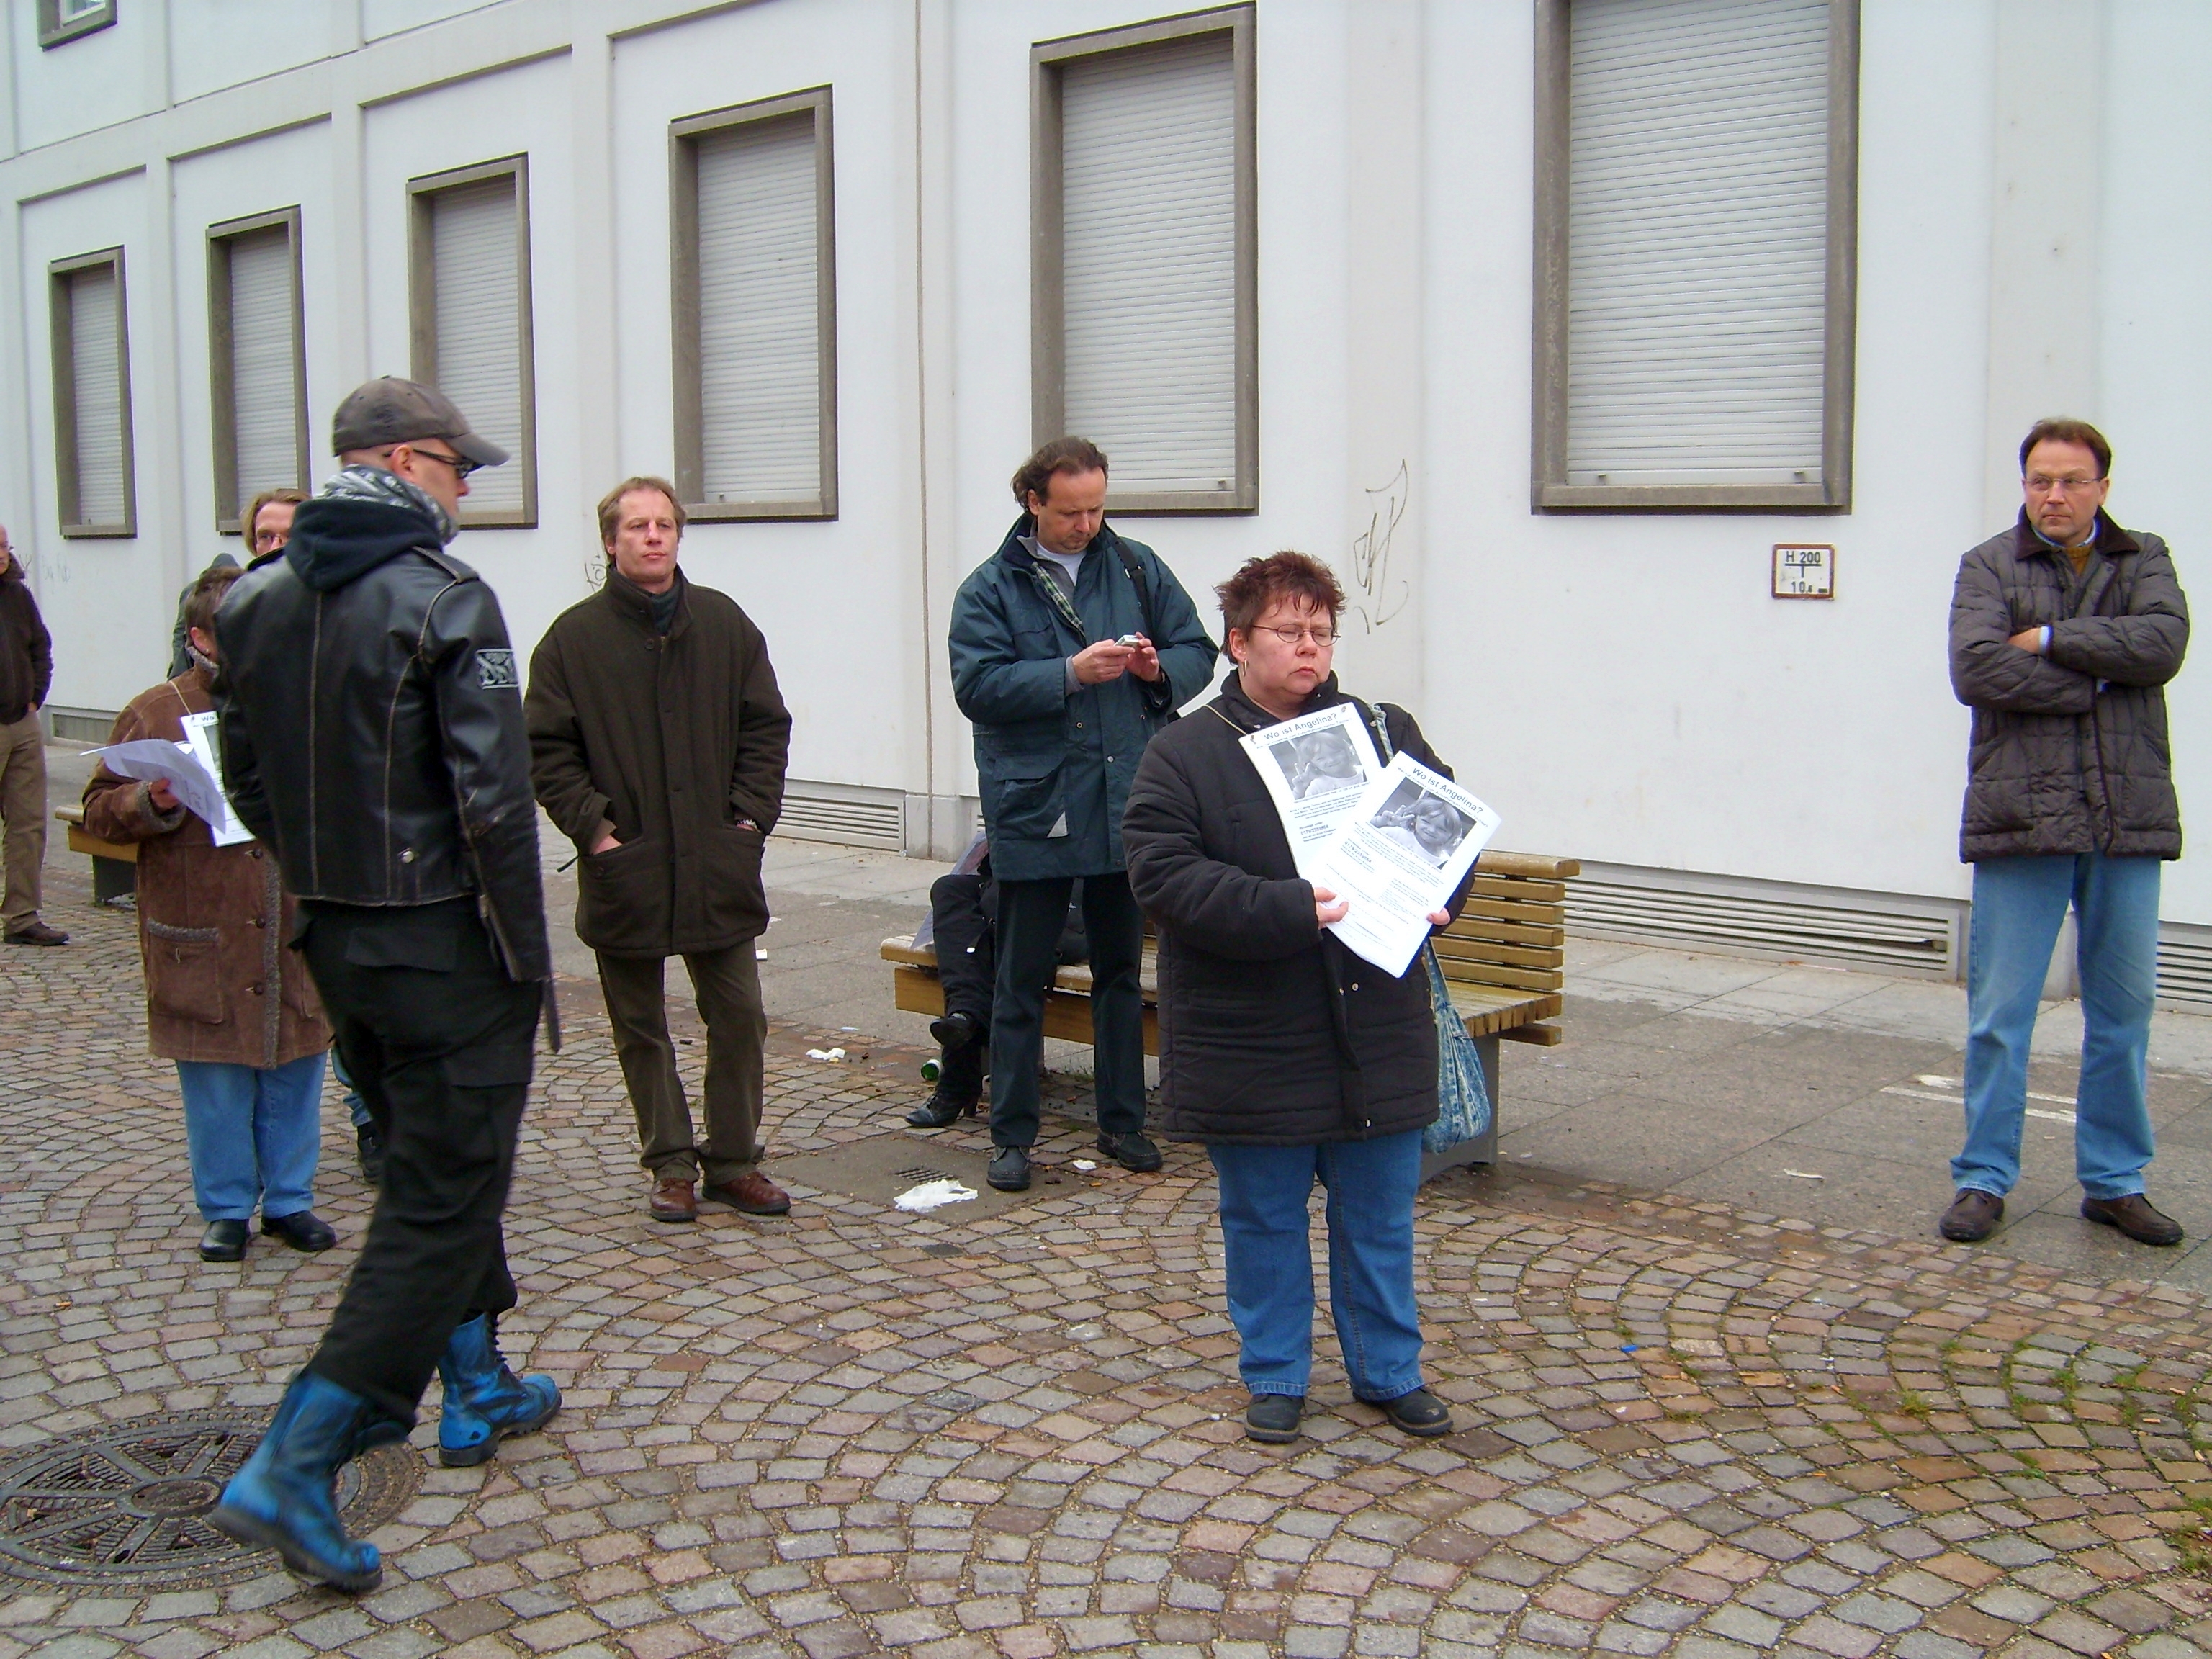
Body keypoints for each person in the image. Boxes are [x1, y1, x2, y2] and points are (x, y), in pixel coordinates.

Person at [207, 377, 559, 1591]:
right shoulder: (444, 595)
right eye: (459, 467)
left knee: (429, 1177)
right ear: (405, 462)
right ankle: (298, 1457)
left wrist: (325, 877)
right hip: (446, 944)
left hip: (341, 938)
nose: (467, 489)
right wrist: (525, 962)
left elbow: (246, 776)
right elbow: (494, 801)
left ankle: (477, 1380)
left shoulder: (252, 599)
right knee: (439, 1204)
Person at [1123, 552, 1469, 1446]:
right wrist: (1285, 907)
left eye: (1321, 631)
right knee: (1264, 1220)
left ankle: (1390, 1372)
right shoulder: (1186, 752)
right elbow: (1162, 876)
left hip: (1374, 1023)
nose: (1309, 647)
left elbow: (1446, 833)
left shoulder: (1383, 732)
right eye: (1288, 631)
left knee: (1379, 1220)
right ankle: (1275, 1373)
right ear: (1239, 643)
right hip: (1253, 1035)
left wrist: (1442, 895)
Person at [1943, 418, 2190, 1249]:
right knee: (2000, 1014)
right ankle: (1983, 1177)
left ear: (2102, 488)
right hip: (2022, 816)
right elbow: (1977, 667)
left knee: (2125, 1012)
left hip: (2127, 817)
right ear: (2025, 485)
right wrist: (2098, 684)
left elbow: (2162, 645)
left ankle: (2115, 1183)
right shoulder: (1988, 565)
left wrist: (2051, 641)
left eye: (2072, 481)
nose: (2055, 495)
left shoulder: (2144, 558)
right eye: (2041, 480)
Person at [948, 438, 1217, 1191]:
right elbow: (976, 687)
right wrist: (1068, 673)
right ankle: (1012, 1136)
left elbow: (1198, 648)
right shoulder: (990, 587)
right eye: (1071, 512)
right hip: (1039, 806)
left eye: (1097, 509)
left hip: (1127, 799)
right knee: (1020, 977)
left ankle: (1123, 1123)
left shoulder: (1135, 567)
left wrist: (1158, 670)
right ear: (1033, 502)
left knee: (1120, 974)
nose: (1087, 525)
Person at [528, 477, 793, 1225]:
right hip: (628, 863)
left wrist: (748, 821)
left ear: (678, 536)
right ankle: (670, 1162)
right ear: (610, 542)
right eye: (636, 526)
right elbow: (548, 750)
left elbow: (765, 728)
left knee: (739, 1015)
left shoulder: (724, 624)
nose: (652, 537)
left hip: (716, 860)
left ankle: (733, 1160)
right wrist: (596, 830)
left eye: (664, 525)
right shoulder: (572, 641)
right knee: (640, 1027)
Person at [83, 563, 336, 1262]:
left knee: (296, 1063)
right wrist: (151, 801)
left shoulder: (306, 698)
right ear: (200, 638)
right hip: (204, 923)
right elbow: (99, 811)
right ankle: (225, 1207)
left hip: (292, 915)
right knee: (216, 1077)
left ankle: (289, 1200)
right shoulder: (155, 710)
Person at [905, 832, 1088, 1130]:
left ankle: (958, 1072)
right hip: (1014, 886)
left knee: (977, 950)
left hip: (1066, 902)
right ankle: (966, 1016)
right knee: (949, 890)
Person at [166, 488, 307, 678]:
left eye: (291, 536)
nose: (276, 547)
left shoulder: (335, 604)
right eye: (265, 537)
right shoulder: (231, 606)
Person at [0, 526, 63, 947]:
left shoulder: (17, 596)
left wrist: (36, 696)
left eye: (5, 545)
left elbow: (41, 647)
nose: (2, 553)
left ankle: (22, 916)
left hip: (22, 724)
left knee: (28, 823)